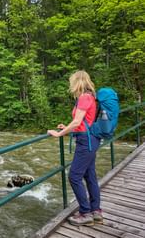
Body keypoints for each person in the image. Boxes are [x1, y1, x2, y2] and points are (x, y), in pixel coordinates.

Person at [47, 70, 103, 226]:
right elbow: (84, 122)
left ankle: (85, 213)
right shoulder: (90, 96)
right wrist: (67, 127)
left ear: (77, 82)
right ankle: (96, 211)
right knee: (89, 175)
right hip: (90, 139)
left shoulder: (84, 97)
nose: (70, 85)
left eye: (71, 81)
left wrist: (59, 134)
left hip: (86, 141)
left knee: (74, 176)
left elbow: (77, 122)